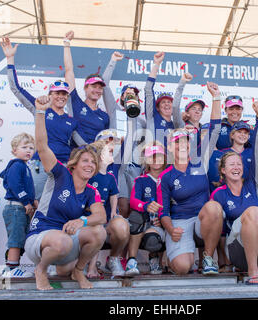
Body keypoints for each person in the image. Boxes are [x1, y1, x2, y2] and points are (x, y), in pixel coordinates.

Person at [24, 95, 107, 290]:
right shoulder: (60, 174)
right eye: (85, 161)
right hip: (40, 237)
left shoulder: (90, 190)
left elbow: (101, 216)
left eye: (93, 162)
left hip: (64, 241)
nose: (90, 165)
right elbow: (43, 146)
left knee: (98, 232)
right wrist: (40, 112)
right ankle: (41, 270)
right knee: (62, 242)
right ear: (74, 164)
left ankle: (78, 270)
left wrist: (82, 221)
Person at [1, 37, 84, 200]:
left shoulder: (71, 120)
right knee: (37, 204)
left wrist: (103, 146)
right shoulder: (39, 107)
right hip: (40, 165)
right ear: (50, 95)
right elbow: (16, 89)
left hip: (63, 168)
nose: (61, 97)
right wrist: (10, 59)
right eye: (57, 93)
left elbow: (83, 144)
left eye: (64, 94)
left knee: (59, 206)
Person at [156, 81, 222, 276]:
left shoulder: (199, 160)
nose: (182, 145)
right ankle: (171, 257)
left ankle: (208, 258)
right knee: (183, 268)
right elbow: (163, 211)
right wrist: (170, 228)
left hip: (202, 220)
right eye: (177, 143)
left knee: (214, 207)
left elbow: (216, 128)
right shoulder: (165, 176)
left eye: (185, 141)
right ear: (169, 147)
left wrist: (216, 97)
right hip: (180, 221)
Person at [209, 100, 258, 284]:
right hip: (228, 202)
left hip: (250, 196)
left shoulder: (252, 154)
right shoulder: (219, 154)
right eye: (239, 131)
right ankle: (227, 261)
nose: (243, 135)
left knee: (257, 213)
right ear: (232, 134)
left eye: (246, 132)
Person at [101, 51, 146, 220]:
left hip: (134, 166)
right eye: (127, 93)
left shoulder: (142, 121)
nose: (130, 95)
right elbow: (104, 84)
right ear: (121, 97)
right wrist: (112, 61)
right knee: (121, 205)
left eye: (134, 93)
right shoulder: (114, 111)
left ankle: (128, 243)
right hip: (116, 164)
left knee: (133, 207)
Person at [85, 139, 130, 278]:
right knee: (97, 229)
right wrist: (91, 206)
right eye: (109, 151)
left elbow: (114, 195)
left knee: (120, 226)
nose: (113, 153)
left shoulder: (110, 177)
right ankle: (90, 267)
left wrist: (113, 212)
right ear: (99, 156)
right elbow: (83, 196)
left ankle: (112, 260)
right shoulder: (90, 175)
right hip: (91, 219)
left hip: (106, 219)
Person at [0, 132, 38, 278]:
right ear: (14, 150)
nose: (28, 150)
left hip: (20, 208)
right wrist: (26, 202)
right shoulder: (17, 166)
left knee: (20, 238)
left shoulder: (25, 166)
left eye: (31, 148)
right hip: (16, 208)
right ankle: (12, 269)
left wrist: (33, 201)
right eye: (24, 147)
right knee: (16, 239)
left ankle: (10, 266)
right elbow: (16, 186)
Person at [126, 141, 168, 276]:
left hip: (164, 221)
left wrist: (163, 218)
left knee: (154, 238)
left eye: (159, 156)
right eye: (152, 157)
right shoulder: (141, 180)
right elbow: (133, 201)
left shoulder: (170, 177)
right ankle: (131, 261)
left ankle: (155, 259)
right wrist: (146, 206)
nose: (156, 160)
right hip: (145, 221)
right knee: (135, 217)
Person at [63, 31, 110, 144]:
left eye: (100, 88)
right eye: (94, 86)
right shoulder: (76, 103)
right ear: (85, 87)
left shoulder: (104, 116)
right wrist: (66, 44)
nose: (97, 90)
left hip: (95, 158)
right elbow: (69, 71)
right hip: (76, 156)